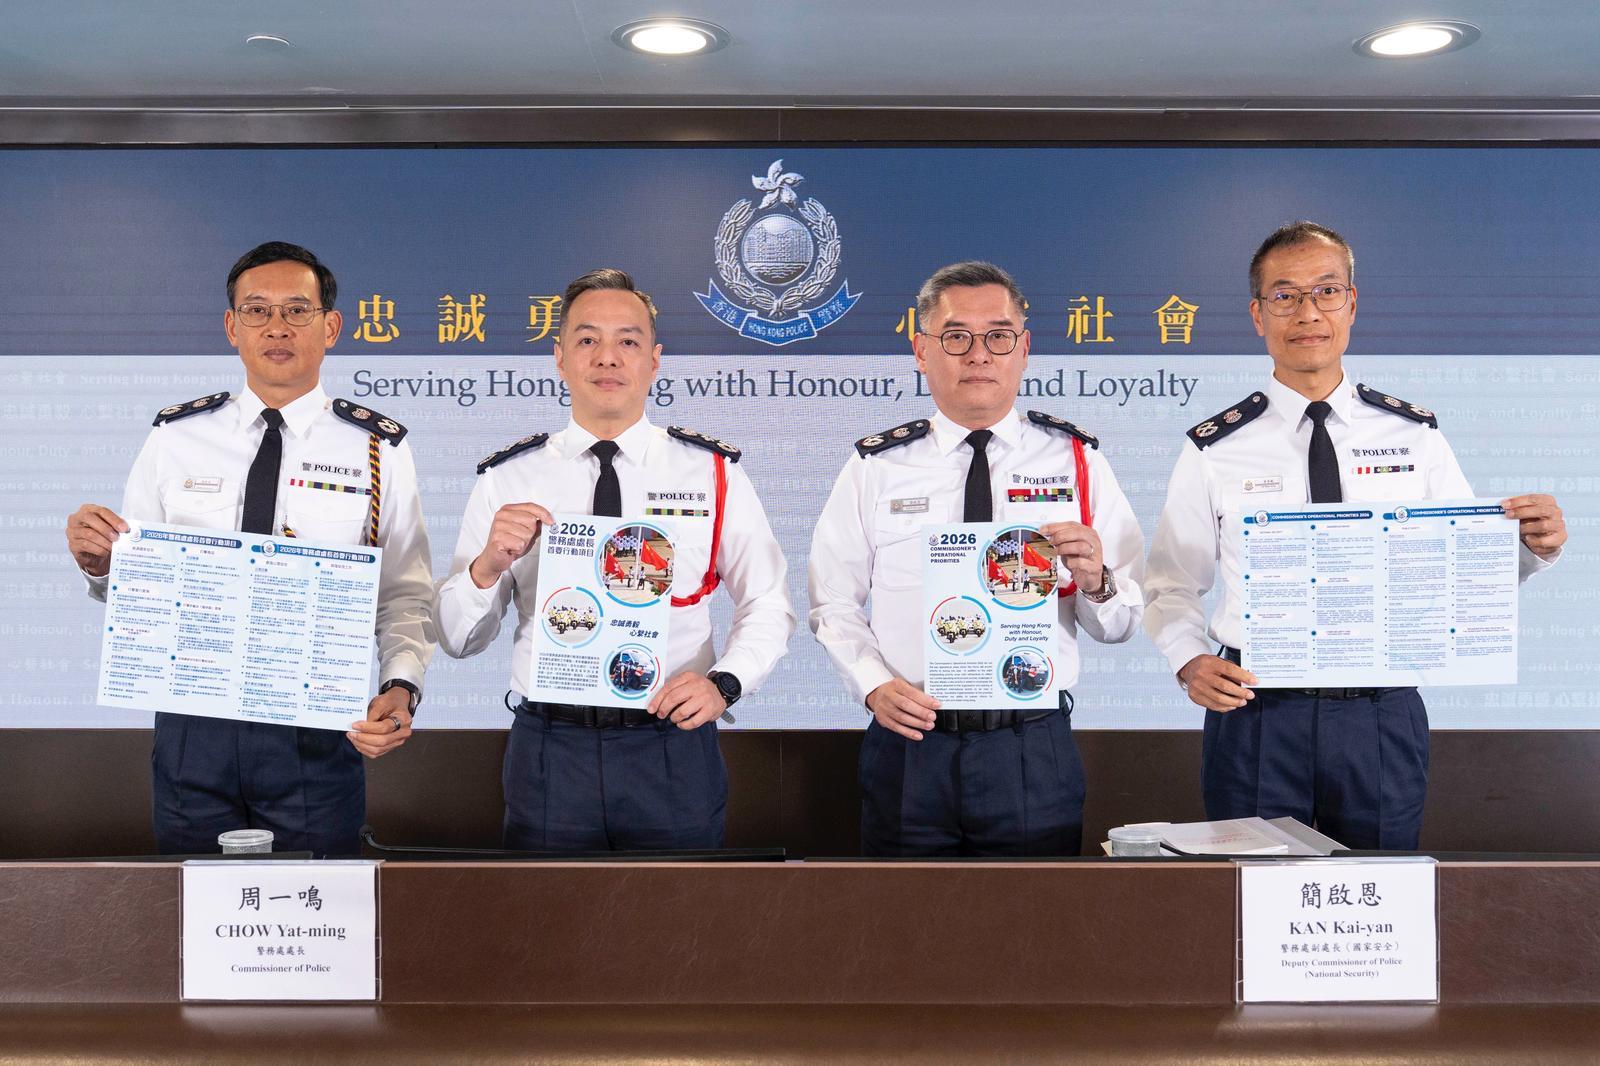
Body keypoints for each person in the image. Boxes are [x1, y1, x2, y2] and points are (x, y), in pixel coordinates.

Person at [1143, 220, 1567, 850]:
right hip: (1257, 711)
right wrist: (1187, 660)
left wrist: (1531, 550)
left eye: (1326, 291)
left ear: (1352, 304)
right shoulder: (1215, 447)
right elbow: (1171, 583)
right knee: (1252, 892)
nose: (1307, 312)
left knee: (1379, 889)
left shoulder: (1414, 436)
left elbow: (1463, 568)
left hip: (1379, 710)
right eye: (1285, 296)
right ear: (1258, 315)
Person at [64, 241, 434, 856]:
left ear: (331, 327)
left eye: (297, 310)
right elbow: (137, 583)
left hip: (316, 726)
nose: (277, 327)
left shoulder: (377, 449)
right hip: (193, 722)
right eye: (257, 310)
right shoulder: (175, 437)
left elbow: (404, 595)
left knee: (315, 904)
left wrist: (401, 687)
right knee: (196, 902)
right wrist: (101, 565)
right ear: (232, 327)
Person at [433, 268, 793, 852]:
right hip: (552, 749)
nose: (607, 357)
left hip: (670, 744)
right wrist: (487, 567)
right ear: (559, 358)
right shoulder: (508, 478)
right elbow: (456, 639)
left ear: (654, 360)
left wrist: (725, 685)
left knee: (679, 911)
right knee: (549, 911)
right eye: (587, 339)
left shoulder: (710, 471)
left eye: (627, 340)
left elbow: (768, 602)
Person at [809, 261, 1145, 856]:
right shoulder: (876, 467)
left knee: (1033, 913)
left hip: (1029, 745)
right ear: (922, 351)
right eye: (956, 336)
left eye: (998, 336)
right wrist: (872, 685)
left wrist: (1097, 581)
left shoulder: (1077, 462)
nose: (979, 355)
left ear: (1024, 350)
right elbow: (832, 602)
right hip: (912, 739)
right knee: (901, 914)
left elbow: (1119, 625)